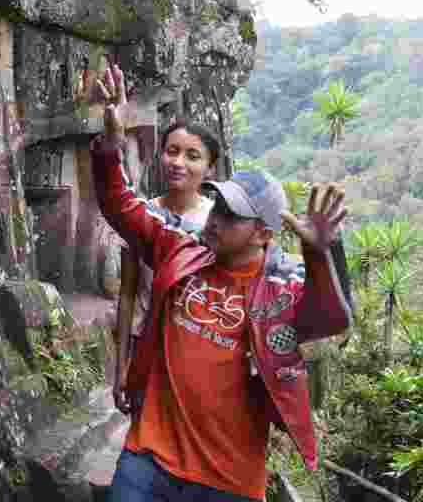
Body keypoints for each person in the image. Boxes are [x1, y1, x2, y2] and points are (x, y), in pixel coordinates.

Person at [94, 64, 351, 502]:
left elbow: (331, 319)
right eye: (217, 208)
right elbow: (120, 204)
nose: (216, 219)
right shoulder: (180, 247)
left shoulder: (281, 288)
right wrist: (111, 144)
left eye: (232, 216)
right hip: (147, 457)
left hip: (226, 480)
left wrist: (319, 254)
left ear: (264, 234)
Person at [114, 120, 219, 417]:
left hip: (198, 347)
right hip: (146, 345)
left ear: (210, 168)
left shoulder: (218, 224)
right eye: (172, 151)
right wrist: (121, 366)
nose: (178, 162)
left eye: (192, 156)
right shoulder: (142, 216)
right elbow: (127, 294)